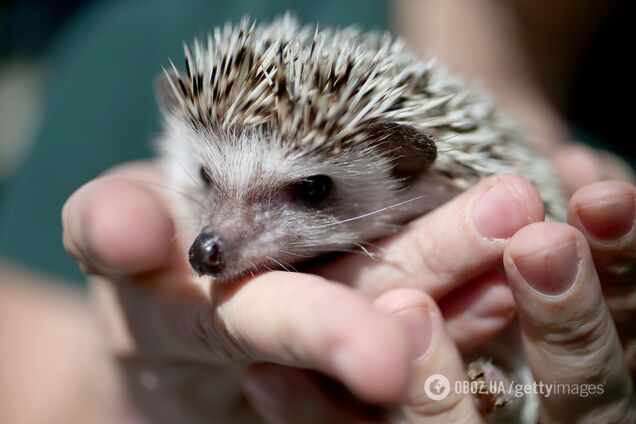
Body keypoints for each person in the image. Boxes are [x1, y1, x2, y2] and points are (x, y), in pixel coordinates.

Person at [1, 0, 635, 422]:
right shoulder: (151, 28)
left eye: (309, 191)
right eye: (205, 179)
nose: (216, 239)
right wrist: (134, 393)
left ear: (406, 169)